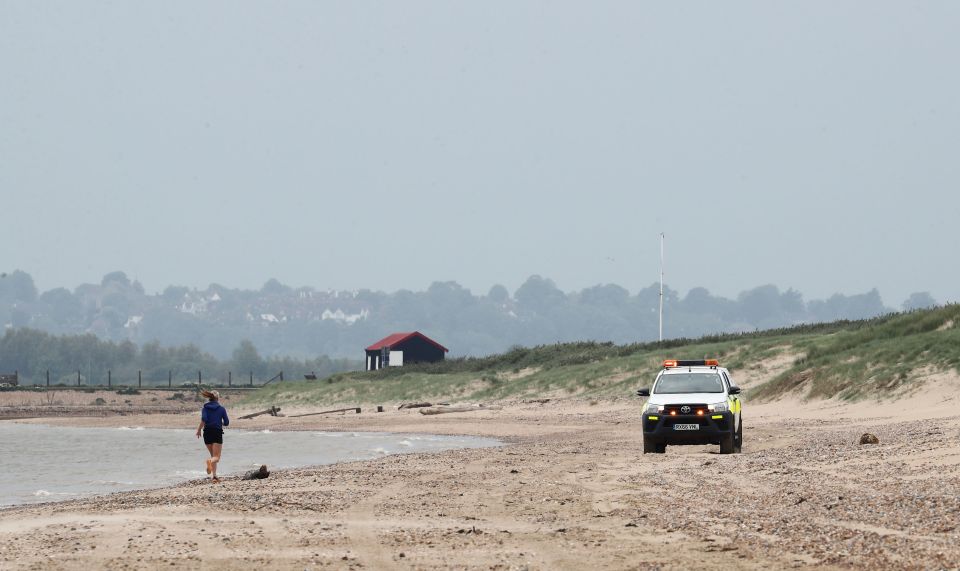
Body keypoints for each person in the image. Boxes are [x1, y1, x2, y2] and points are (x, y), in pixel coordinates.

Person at [196, 390, 229, 483]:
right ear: (217, 398)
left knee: (213, 456)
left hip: (206, 433)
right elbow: (226, 422)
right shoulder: (221, 409)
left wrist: (198, 430)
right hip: (216, 432)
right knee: (216, 458)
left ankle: (214, 476)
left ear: (209, 398)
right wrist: (219, 422)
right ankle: (210, 463)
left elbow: (204, 419)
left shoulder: (205, 408)